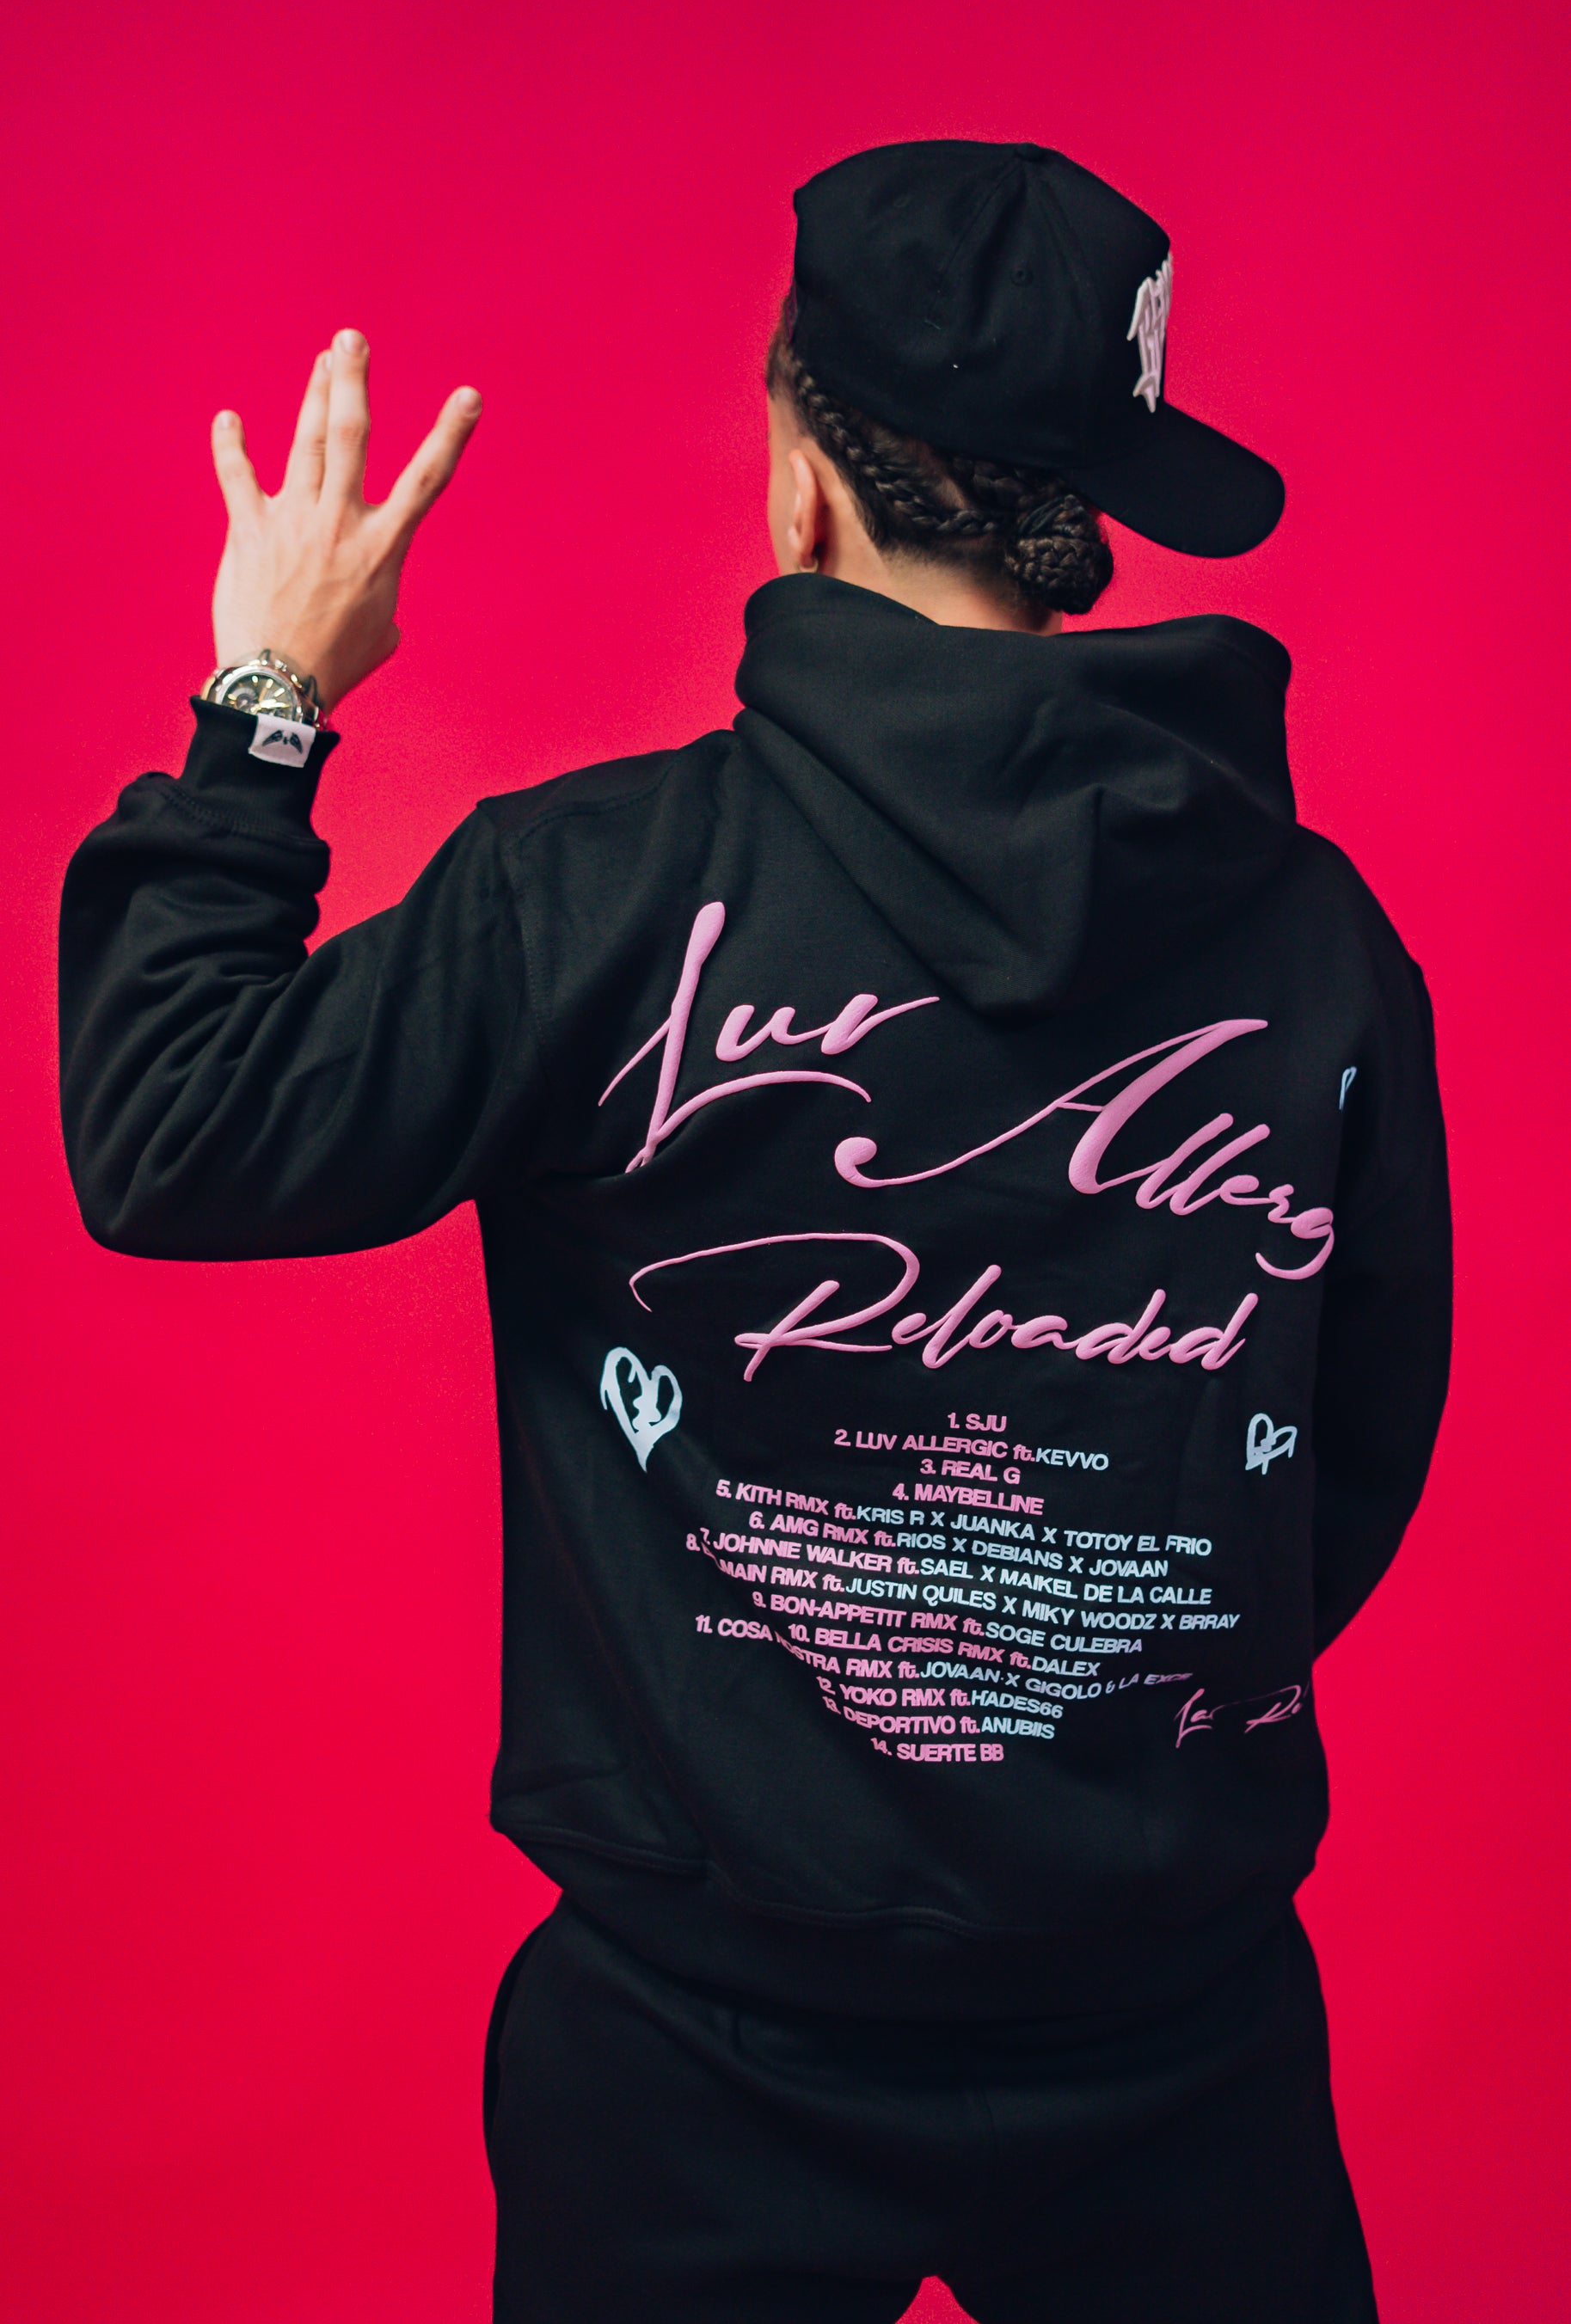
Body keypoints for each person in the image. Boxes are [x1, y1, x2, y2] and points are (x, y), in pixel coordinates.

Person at [58, 141, 1450, 2323]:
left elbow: (170, 1137)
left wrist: (267, 698)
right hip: (1172, 2025)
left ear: (798, 480)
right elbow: (1346, 1451)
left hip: (695, 2049)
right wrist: (1078, 1708)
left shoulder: (591, 894)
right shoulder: (1319, 946)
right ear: (1097, 509)